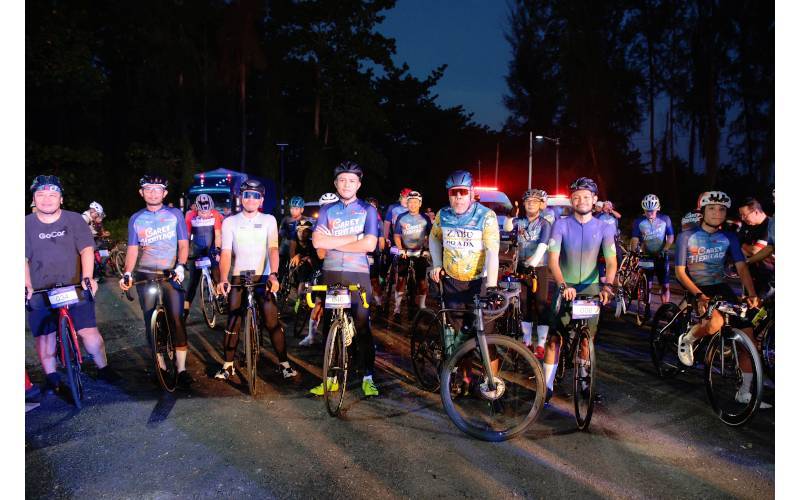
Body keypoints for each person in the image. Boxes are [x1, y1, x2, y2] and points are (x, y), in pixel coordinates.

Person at [26, 175, 119, 395]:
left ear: (61, 198)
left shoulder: (75, 220)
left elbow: (86, 249)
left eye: (52, 194)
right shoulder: (25, 224)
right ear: (33, 198)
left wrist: (88, 276)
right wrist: (27, 285)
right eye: (41, 194)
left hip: (73, 285)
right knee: (45, 337)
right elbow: (22, 258)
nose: (46, 199)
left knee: (90, 335)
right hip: (40, 288)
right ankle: (52, 377)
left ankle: (103, 368)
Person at [674, 191, 769, 408]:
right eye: (712, 208)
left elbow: (742, 266)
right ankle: (688, 338)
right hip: (695, 285)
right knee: (715, 324)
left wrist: (752, 294)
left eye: (722, 209)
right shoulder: (686, 236)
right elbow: (680, 272)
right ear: (702, 211)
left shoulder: (729, 237)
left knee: (749, 338)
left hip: (720, 286)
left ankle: (745, 392)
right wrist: (699, 295)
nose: (717, 212)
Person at [214, 179, 298, 380]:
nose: (251, 199)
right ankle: (228, 365)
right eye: (247, 195)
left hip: (263, 276)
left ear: (261, 199)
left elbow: (273, 249)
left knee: (272, 322)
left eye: (255, 196)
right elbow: (226, 253)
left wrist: (274, 274)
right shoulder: (230, 222)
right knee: (233, 321)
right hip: (239, 276)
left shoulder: (269, 219)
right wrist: (223, 278)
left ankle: (284, 363)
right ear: (241, 198)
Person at [309, 161, 381, 397]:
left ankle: (368, 376)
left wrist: (335, 240)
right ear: (335, 184)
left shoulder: (367, 210)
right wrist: (354, 238)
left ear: (359, 184)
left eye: (351, 180)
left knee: (362, 326)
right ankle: (331, 378)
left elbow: (370, 244)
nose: (346, 184)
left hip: (358, 273)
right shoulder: (328, 210)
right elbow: (318, 242)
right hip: (332, 272)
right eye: (342, 180)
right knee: (330, 324)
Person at [544, 177, 617, 402]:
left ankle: (585, 381)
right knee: (554, 338)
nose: (581, 200)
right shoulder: (561, 224)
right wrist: (563, 285)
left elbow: (612, 262)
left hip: (592, 287)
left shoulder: (605, 226)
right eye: (576, 197)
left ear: (595, 200)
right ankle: (545, 386)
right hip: (565, 285)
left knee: (587, 340)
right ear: (571, 200)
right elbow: (553, 260)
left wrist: (608, 285)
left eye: (586, 196)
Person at [119, 174, 194, 390]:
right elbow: (133, 250)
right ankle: (159, 364)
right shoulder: (136, 218)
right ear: (141, 193)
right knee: (149, 319)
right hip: (145, 273)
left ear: (165, 193)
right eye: (148, 189)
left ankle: (181, 369)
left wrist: (181, 265)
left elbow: (182, 244)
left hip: (171, 273)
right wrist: (127, 273)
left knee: (176, 318)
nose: (153, 193)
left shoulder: (174, 214)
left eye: (157, 189)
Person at [428, 170, 500, 344]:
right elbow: (434, 238)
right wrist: (437, 263)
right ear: (449, 194)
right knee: (459, 336)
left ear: (471, 192)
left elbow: (492, 252)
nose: (458, 197)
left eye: (463, 192)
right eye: (454, 192)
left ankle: (489, 372)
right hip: (452, 282)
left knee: (486, 336)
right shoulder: (443, 214)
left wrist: (491, 286)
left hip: (478, 282)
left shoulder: (486, 216)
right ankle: (455, 367)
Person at [504, 188, 552, 359]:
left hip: (539, 267)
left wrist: (531, 262)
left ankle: (540, 343)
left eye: (535, 201)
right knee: (524, 303)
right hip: (522, 268)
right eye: (528, 201)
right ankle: (526, 340)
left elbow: (543, 245)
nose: (531, 203)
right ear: (524, 204)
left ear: (540, 205)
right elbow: (508, 228)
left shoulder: (544, 223)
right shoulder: (520, 221)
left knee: (540, 304)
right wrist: (510, 216)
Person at [297, 192, 340, 346]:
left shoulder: (344, 223)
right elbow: (320, 254)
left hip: (343, 268)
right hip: (323, 269)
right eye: (324, 207)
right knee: (319, 303)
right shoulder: (317, 226)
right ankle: (311, 336)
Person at [392, 190, 432, 322]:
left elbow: (430, 235)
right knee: (401, 279)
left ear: (420, 204)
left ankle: (422, 306)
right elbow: (397, 235)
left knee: (421, 281)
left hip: (420, 251)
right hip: (405, 251)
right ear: (407, 203)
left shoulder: (425, 218)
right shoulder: (401, 217)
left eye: (415, 202)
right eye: (410, 202)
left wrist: (427, 249)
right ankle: (397, 309)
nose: (413, 205)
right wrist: (400, 249)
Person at [182, 194, 224, 318]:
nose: (205, 214)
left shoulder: (215, 214)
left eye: (208, 212)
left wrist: (217, 250)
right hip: (197, 249)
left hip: (211, 247)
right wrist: (184, 257)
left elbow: (217, 235)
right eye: (202, 212)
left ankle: (220, 295)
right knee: (193, 282)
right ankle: (185, 311)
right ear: (196, 208)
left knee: (217, 271)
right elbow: (187, 238)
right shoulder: (190, 215)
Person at [630, 194, 674, 308]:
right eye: (647, 211)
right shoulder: (638, 221)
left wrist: (666, 248)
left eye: (652, 211)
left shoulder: (665, 219)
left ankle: (665, 308)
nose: (650, 214)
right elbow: (634, 238)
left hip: (661, 256)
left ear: (658, 208)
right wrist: (635, 251)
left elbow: (670, 236)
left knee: (665, 286)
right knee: (648, 285)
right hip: (646, 256)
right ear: (643, 210)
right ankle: (647, 307)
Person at [736, 197, 774, 296]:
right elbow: (736, 243)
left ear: (756, 212)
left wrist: (743, 246)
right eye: (741, 215)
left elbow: (755, 251)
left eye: (744, 215)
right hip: (751, 275)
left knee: (764, 308)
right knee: (750, 306)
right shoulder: (746, 224)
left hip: (769, 278)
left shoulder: (771, 226)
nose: (742, 218)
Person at [365, 197, 386, 307]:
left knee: (374, 280)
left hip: (374, 254)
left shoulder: (378, 221)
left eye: (374, 207)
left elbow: (381, 238)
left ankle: (378, 304)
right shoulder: (360, 218)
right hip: (360, 253)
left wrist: (381, 253)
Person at [279, 196, 307, 278]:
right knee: (281, 261)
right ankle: (280, 277)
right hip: (286, 245)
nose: (293, 211)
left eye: (296, 209)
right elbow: (280, 234)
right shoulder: (286, 219)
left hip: (299, 246)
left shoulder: (305, 220)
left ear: (302, 209)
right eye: (292, 208)